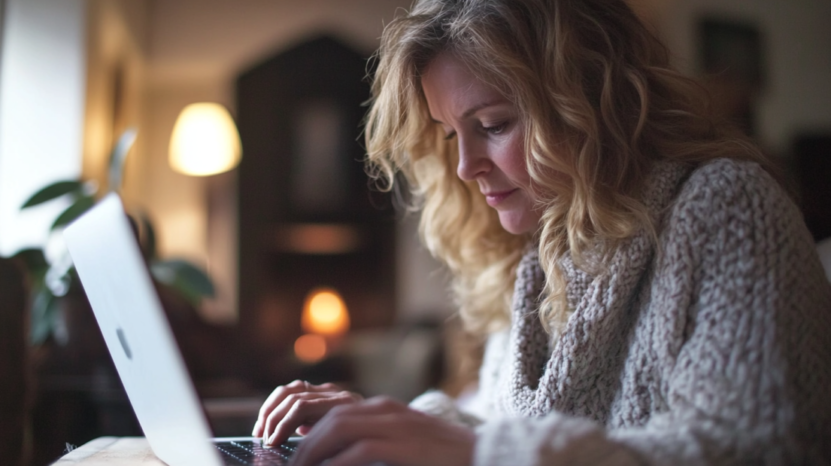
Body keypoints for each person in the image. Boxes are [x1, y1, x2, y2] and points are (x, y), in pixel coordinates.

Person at [252, 0, 831, 464]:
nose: (465, 167)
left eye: (494, 125)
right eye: (452, 133)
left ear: (591, 98)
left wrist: (473, 452)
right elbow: (507, 423)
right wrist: (387, 427)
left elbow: (753, 447)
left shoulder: (726, 207)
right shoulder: (539, 250)